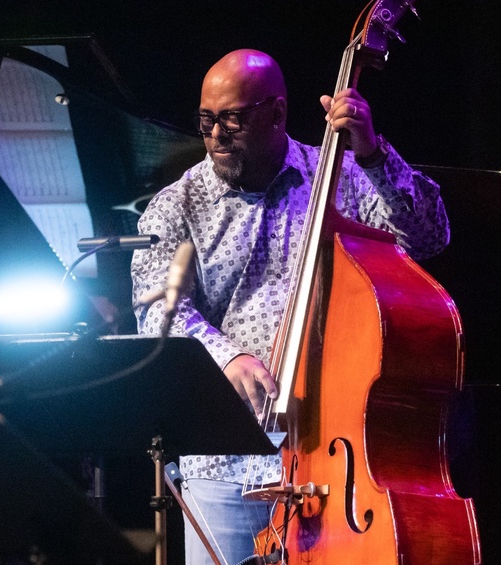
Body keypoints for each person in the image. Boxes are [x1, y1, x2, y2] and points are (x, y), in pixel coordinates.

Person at [130, 49, 449, 564]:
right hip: (226, 461)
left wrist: (370, 151)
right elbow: (157, 311)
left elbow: (430, 236)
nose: (215, 135)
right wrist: (227, 357)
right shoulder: (176, 204)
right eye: (206, 120)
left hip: (336, 453)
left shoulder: (338, 176)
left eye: (231, 118)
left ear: (277, 113)